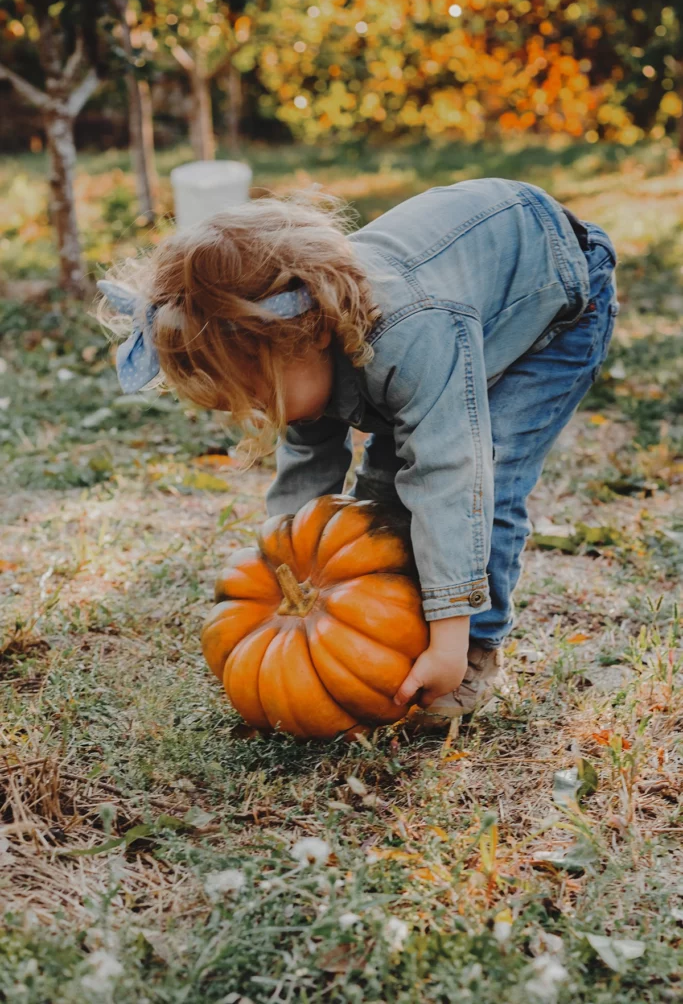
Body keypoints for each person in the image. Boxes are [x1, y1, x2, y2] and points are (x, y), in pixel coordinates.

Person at [97, 177, 618, 725]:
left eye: (254, 392)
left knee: (486, 470)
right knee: (384, 500)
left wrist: (447, 640)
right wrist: (288, 569)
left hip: (558, 294)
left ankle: (473, 649)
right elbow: (307, 479)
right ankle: (417, 618)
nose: (254, 411)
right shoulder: (299, 347)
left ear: (312, 336)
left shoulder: (407, 333)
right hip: (458, 312)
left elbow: (451, 478)